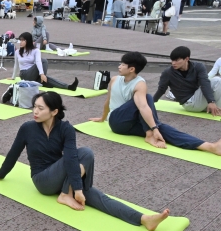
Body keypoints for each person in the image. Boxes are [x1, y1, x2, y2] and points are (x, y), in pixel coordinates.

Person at [0, 91, 171, 229]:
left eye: (40, 108)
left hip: (63, 177)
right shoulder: (27, 128)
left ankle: (143, 219)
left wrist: (78, 188)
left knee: (99, 197)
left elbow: (70, 157)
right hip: (43, 180)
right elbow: (14, 153)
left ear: (54, 111)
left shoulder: (65, 128)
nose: (35, 111)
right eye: (34, 106)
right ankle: (66, 194)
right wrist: (0, 174)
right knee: (85, 153)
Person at [90, 51, 221, 155]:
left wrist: (156, 128)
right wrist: (103, 118)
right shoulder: (114, 80)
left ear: (131, 69)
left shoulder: (138, 83)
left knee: (166, 130)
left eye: (123, 64)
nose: (119, 66)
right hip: (116, 121)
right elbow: (109, 100)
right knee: (147, 99)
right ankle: (149, 134)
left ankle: (209, 146)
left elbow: (142, 107)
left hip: (130, 123)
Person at [153, 46, 221, 116]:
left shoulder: (198, 67)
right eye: (172, 60)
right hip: (189, 103)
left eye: (176, 60)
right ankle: (215, 107)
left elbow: (204, 83)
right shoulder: (168, 72)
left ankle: (217, 108)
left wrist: (211, 101)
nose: (173, 63)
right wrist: (151, 102)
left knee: (216, 81)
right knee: (217, 80)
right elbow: (161, 89)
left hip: (199, 100)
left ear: (186, 59)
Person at [9, 32, 79, 90]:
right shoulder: (17, 52)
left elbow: (38, 61)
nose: (20, 42)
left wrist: (42, 74)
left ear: (28, 41)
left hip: (34, 74)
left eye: (22, 40)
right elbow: (16, 65)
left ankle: (69, 87)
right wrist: (13, 77)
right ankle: (42, 80)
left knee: (48, 75)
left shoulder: (36, 50)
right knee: (44, 63)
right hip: (24, 75)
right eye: (20, 40)